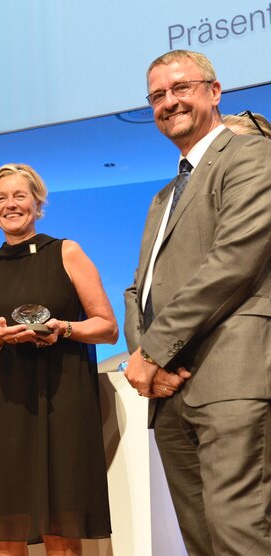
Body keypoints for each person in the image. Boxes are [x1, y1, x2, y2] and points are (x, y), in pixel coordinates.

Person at [123, 49, 271, 555]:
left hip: (231, 379)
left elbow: (233, 264)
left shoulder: (252, 156)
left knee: (239, 533)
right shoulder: (164, 196)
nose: (169, 102)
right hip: (169, 393)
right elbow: (139, 289)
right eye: (157, 95)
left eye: (181, 87)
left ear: (214, 91)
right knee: (201, 543)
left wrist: (152, 353)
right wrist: (145, 361)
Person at [0, 163, 118, 556]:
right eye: (1, 198)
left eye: (19, 196)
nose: (10, 205)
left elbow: (108, 327)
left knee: (61, 539)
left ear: (37, 203)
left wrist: (64, 328)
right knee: (6, 539)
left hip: (62, 404)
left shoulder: (67, 252)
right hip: (3, 406)